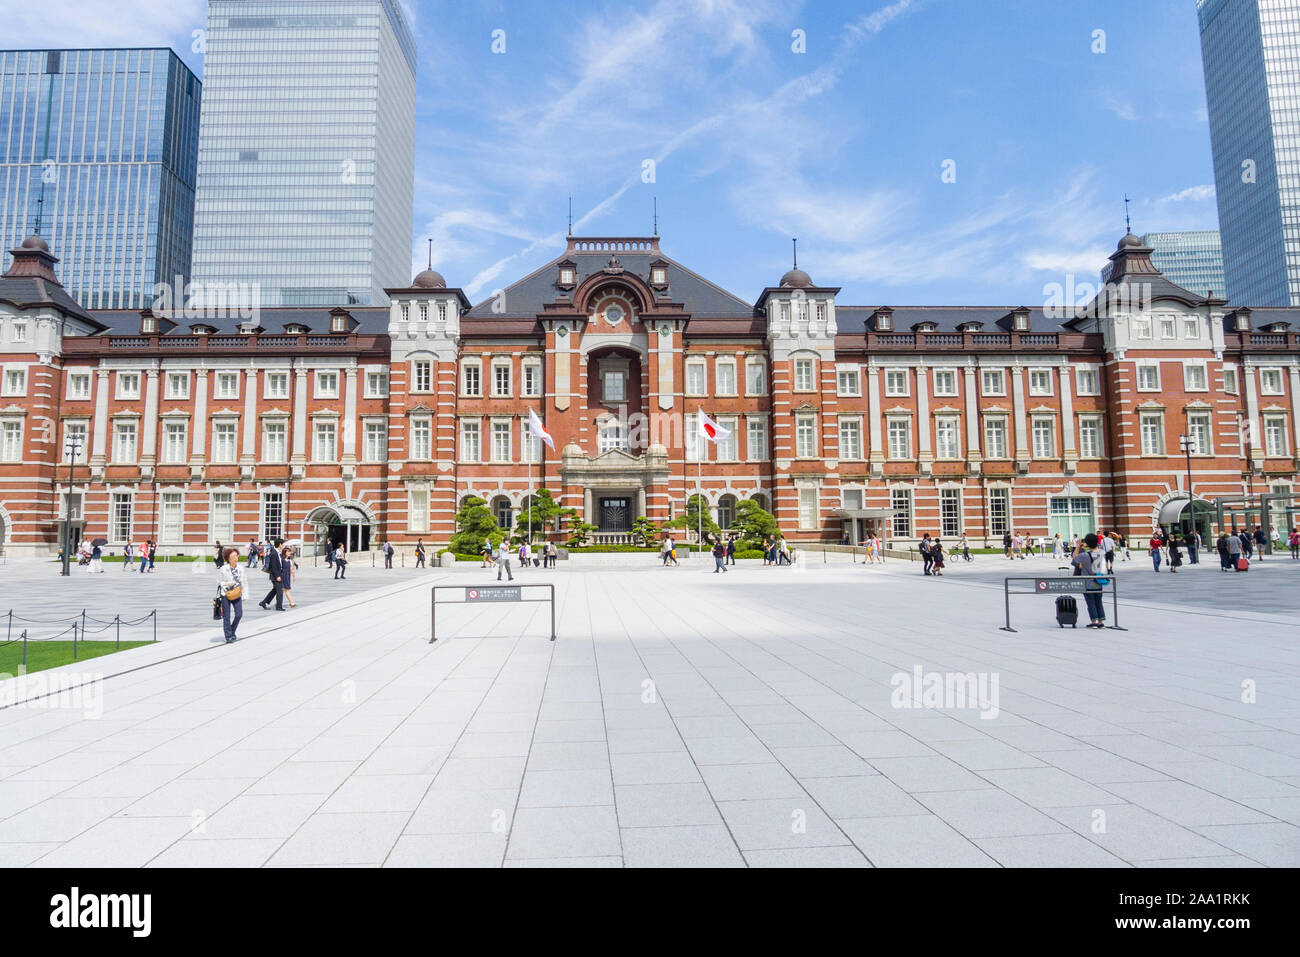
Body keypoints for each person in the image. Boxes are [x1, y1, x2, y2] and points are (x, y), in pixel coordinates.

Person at [1072, 533, 1107, 628]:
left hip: (1088, 582)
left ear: (1087, 543)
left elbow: (1074, 557)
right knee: (1099, 602)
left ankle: (1094, 621)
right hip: (1099, 581)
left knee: (1091, 603)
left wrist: (1078, 546)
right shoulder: (1102, 553)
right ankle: (1101, 622)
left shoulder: (1084, 555)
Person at [217, 547, 246, 643]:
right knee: (226, 616)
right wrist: (227, 583)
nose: (235, 558)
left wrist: (244, 595)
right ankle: (228, 636)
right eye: (233, 556)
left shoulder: (240, 568)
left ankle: (232, 631)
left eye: (236, 556)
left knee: (239, 614)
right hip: (226, 594)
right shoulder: (223, 569)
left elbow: (244, 581)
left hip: (237, 593)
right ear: (228, 558)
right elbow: (219, 581)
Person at [261, 541, 286, 610]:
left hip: (278, 574)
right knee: (280, 591)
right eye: (282, 544)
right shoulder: (274, 553)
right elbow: (274, 566)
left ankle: (264, 602)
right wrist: (277, 576)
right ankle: (279, 607)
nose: (283, 545)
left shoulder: (277, 552)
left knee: (275, 590)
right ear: (280, 544)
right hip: (275, 576)